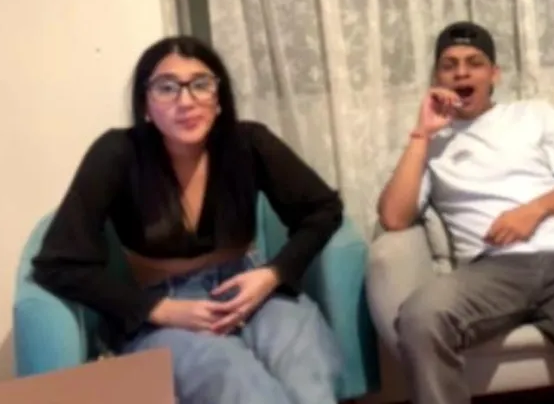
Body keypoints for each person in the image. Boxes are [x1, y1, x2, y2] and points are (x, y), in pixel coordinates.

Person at [33, 36, 345, 404]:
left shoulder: (249, 142)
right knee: (235, 380)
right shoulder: (117, 153)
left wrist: (273, 274)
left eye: (200, 84)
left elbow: (323, 209)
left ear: (218, 98)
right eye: (167, 88)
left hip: (251, 288)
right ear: (145, 104)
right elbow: (58, 263)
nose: (186, 101)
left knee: (305, 371)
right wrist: (159, 310)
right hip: (163, 307)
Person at [376, 21, 554, 404]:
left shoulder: (534, 114)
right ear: (437, 78)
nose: (461, 72)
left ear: (494, 74)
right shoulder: (432, 143)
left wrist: (533, 212)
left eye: (474, 63)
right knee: (420, 316)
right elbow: (394, 218)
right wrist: (422, 134)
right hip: (491, 271)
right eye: (449, 65)